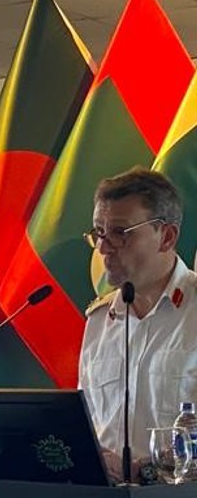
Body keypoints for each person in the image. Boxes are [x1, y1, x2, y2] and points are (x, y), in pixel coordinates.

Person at [78, 168, 197, 482]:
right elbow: (86, 425)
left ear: (166, 237)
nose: (103, 248)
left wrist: (145, 470)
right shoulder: (99, 321)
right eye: (99, 232)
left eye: (120, 233)